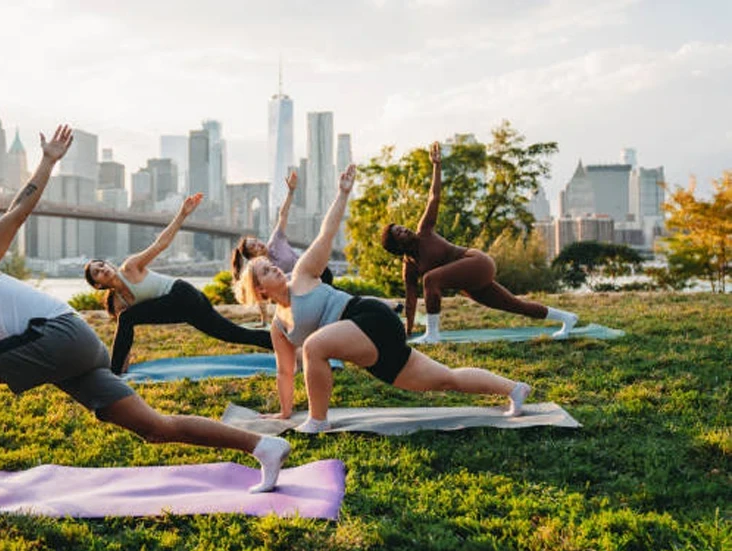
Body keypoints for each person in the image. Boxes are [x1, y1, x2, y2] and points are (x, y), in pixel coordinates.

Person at [0, 125, 290, 516]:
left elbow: (17, 212)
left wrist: (47, 162)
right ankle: (262, 447)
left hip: (63, 334)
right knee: (154, 427)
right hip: (71, 358)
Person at [235, 164, 531, 434]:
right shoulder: (279, 327)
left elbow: (327, 233)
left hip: (370, 318)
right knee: (445, 379)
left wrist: (343, 194)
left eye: (269, 264)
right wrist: (285, 412)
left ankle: (318, 419)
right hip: (372, 354)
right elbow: (286, 371)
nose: (273, 265)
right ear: (260, 290)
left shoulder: (301, 275)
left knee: (313, 346)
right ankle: (514, 389)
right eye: (265, 270)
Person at [380, 142, 578, 344]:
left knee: (430, 279)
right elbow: (411, 300)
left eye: (402, 227)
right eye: (399, 233)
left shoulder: (424, 231)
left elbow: (434, 197)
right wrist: (409, 330)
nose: (405, 229)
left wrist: (437, 166)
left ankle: (433, 335)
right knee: (515, 305)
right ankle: (567, 318)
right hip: (469, 282)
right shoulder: (409, 267)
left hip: (477, 262)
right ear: (397, 246)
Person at [83, 194, 273, 376]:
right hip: (181, 310)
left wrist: (182, 213)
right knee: (233, 334)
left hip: (183, 295)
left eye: (102, 265)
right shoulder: (118, 303)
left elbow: (160, 244)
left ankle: (113, 373)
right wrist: (124, 364)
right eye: (97, 273)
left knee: (127, 318)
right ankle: (278, 341)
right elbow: (125, 337)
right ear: (98, 285)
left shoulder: (130, 267)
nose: (103, 269)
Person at [231, 171, 333, 325]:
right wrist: (264, 321)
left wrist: (291, 192)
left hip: (317, 275)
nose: (259, 244)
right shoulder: (263, 270)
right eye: (254, 247)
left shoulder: (276, 241)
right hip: (298, 294)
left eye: (256, 241)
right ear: (253, 257)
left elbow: (283, 215)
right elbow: (261, 296)